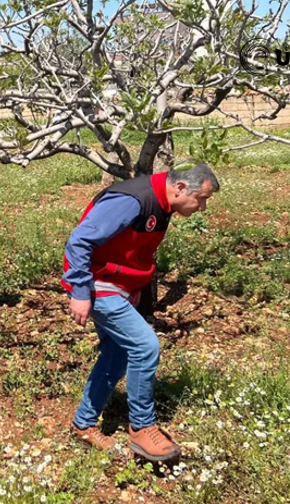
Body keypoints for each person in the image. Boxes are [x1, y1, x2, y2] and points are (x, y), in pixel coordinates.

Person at [62, 162, 219, 462]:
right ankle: (142, 427)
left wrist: (135, 284)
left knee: (117, 354)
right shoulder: (133, 200)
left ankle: (83, 424)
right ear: (181, 188)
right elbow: (80, 240)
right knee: (146, 347)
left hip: (115, 283)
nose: (202, 207)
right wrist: (80, 292)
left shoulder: (162, 204)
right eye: (202, 199)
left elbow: (136, 249)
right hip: (96, 282)